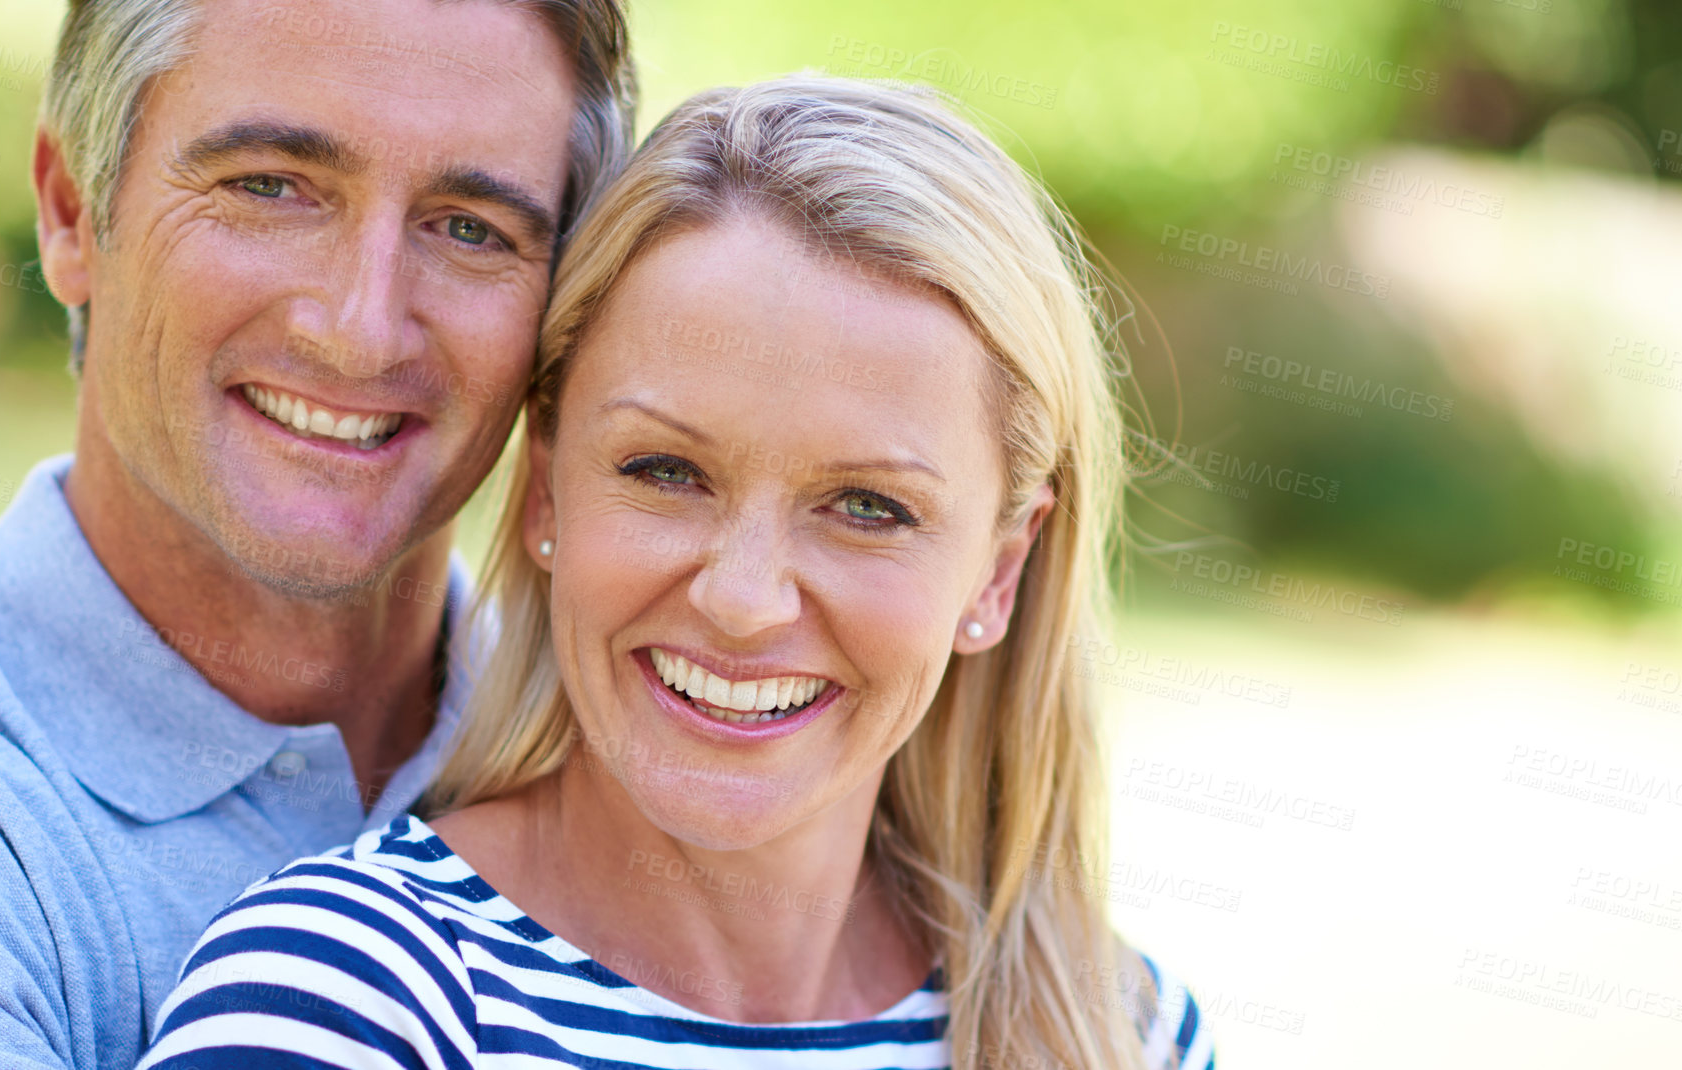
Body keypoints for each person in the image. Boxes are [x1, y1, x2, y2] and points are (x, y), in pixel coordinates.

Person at [139, 76, 1216, 1070]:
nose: (742, 601)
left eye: (867, 507)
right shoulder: (347, 999)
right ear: (549, 492)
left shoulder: (1123, 1028)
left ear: (997, 570)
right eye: (667, 471)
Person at [0, 1, 631, 1067]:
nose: (361, 328)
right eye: (269, 186)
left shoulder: (648, 755)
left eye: (470, 227)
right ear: (71, 212)